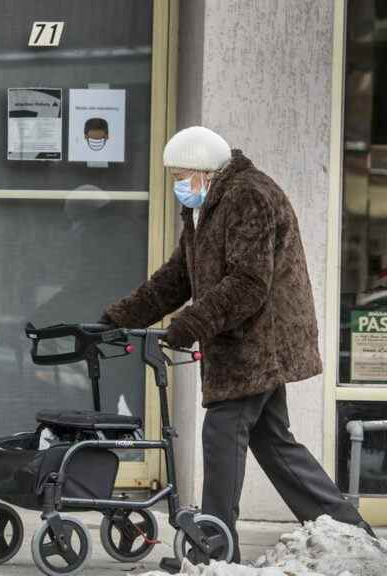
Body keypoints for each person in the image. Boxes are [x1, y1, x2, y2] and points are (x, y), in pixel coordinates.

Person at [100, 126, 376, 563]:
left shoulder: (249, 197)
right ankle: (351, 533)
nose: (177, 186)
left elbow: (249, 284)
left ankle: (213, 549)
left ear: (206, 171)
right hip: (244, 340)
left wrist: (192, 323)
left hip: (260, 342)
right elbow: (180, 275)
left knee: (223, 431)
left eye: (181, 175)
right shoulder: (207, 204)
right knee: (274, 443)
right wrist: (118, 318)